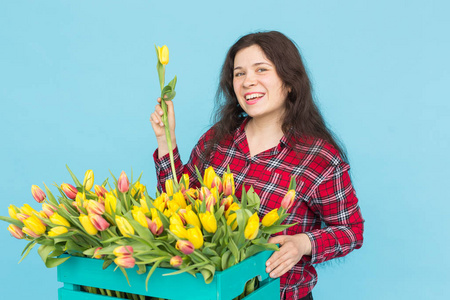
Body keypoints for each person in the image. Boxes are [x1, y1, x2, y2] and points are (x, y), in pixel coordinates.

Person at [150, 31, 364, 300]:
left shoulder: (319, 158)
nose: (248, 81)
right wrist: (165, 139)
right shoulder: (218, 139)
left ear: (289, 82)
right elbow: (177, 202)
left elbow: (351, 231)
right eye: (239, 74)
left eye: (261, 69)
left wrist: (303, 243)